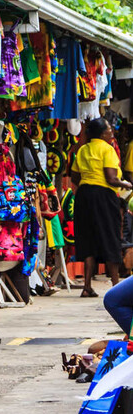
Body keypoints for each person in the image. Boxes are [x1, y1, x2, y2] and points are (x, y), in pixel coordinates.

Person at [71, 117, 132, 297]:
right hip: (103, 196)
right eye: (109, 131)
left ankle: (87, 286)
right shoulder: (108, 149)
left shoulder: (83, 149)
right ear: (102, 134)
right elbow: (111, 178)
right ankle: (115, 286)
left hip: (84, 195)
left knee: (87, 238)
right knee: (110, 236)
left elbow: (75, 177)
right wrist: (127, 185)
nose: (112, 134)